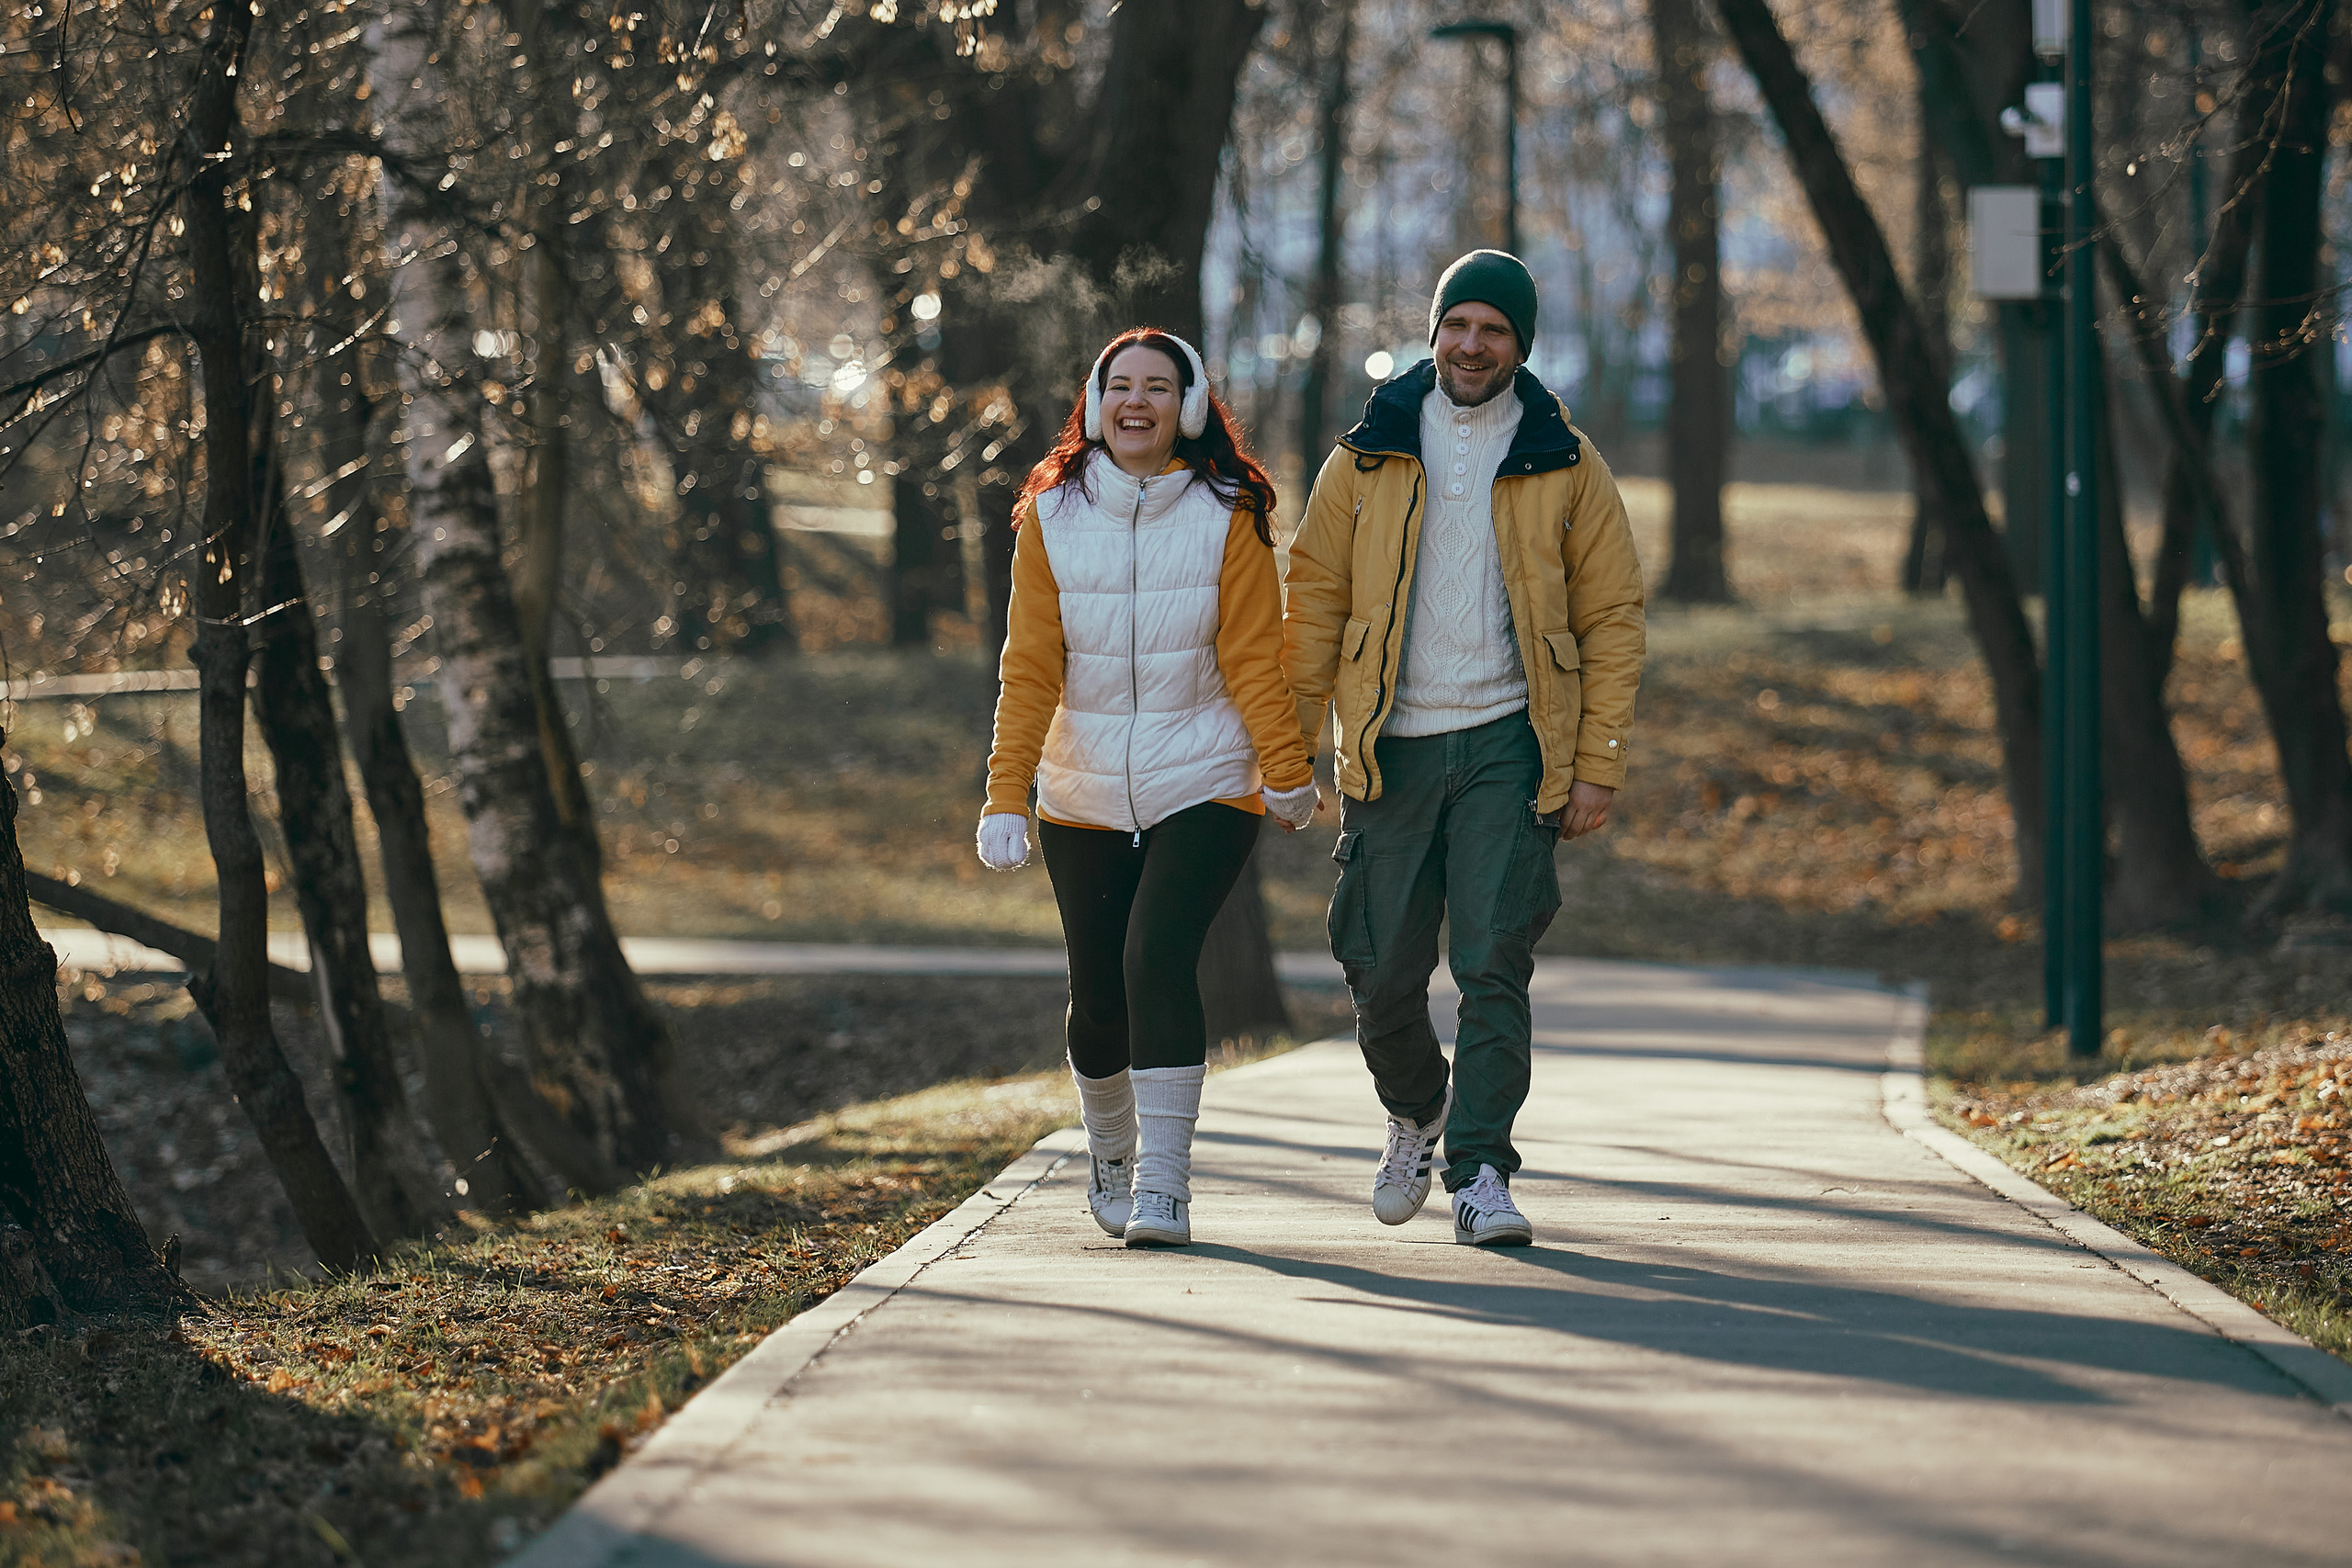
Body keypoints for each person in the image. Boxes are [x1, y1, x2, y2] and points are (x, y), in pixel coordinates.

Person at [1283, 250, 1645, 1246]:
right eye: (1458, 326)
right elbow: (1312, 596)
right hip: (1389, 743)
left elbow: (1612, 612)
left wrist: (1597, 760)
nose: (1472, 345)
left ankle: (1481, 1169)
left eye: (1493, 330)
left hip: (1508, 742)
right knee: (1376, 966)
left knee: (1492, 964)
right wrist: (1286, 750)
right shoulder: (1369, 451)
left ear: (1519, 346)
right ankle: (1418, 1113)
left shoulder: (1563, 457)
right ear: (1433, 332)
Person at [976, 328, 1318, 1250]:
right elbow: (1030, 667)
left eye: (1157, 387)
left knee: (1154, 958)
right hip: (1080, 784)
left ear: (1189, 406)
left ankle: (1165, 1184)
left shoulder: (1228, 508)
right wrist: (1006, 792)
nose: (1137, 402)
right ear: (1094, 404)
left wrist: (1285, 771)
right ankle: (1112, 1149)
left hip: (1204, 772)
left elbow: (1255, 652)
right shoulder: (1051, 513)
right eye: (1119, 386)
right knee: (1097, 994)